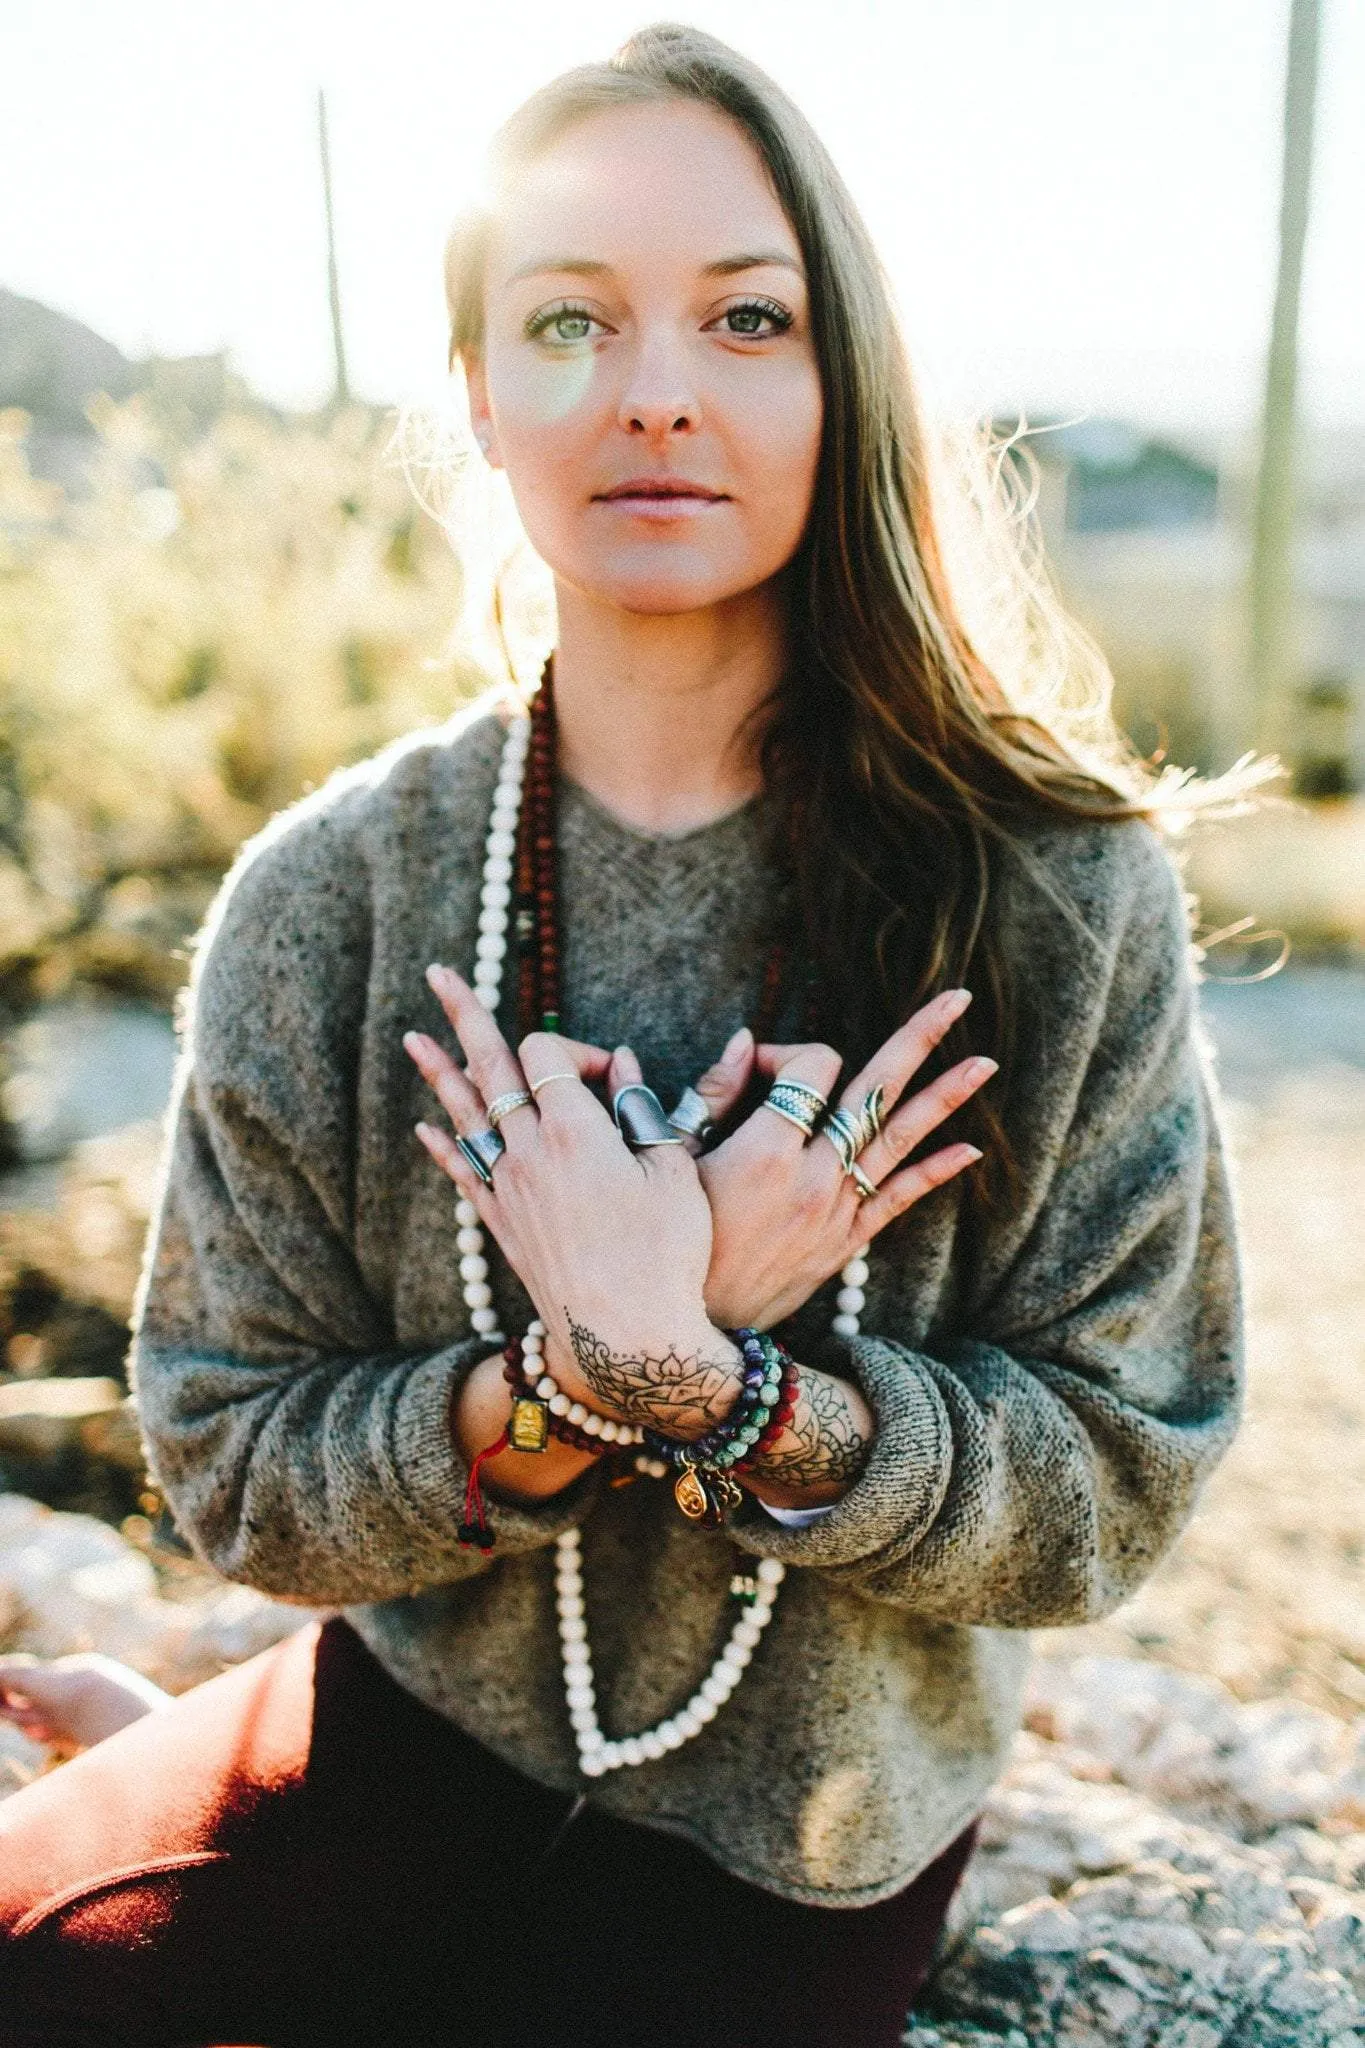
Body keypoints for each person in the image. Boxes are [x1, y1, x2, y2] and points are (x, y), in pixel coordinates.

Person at [0, 22, 1256, 2048]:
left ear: (839, 380)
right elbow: (231, 1455)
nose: (656, 393)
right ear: (479, 395)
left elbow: (1117, 1465)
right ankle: (181, 1744)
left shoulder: (1051, 888)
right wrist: (581, 1378)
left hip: (797, 1835)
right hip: (401, 1727)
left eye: (746, 317)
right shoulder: (331, 895)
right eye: (570, 319)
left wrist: (736, 1391)